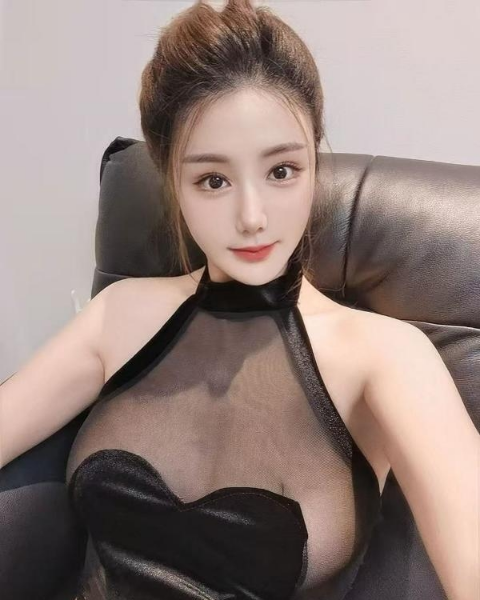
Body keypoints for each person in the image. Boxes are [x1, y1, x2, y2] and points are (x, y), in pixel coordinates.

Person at [1, 1, 478, 599]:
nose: (252, 218)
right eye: (214, 180)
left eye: (281, 171)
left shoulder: (386, 357)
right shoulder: (120, 315)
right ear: (172, 181)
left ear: (313, 160)